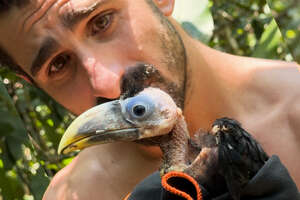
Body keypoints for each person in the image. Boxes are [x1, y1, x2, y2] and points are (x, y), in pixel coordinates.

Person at [0, 0, 299, 199]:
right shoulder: (78, 193)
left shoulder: (294, 112)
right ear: (32, 81)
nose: (106, 81)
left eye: (102, 22)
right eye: (59, 64)